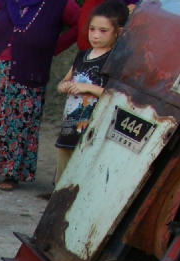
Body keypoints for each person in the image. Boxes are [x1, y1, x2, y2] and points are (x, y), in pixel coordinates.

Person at [0, 0, 80, 190]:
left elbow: (82, 25)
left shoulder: (61, 3)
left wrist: (52, 46)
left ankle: (11, 173)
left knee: (17, 123)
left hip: (28, 72)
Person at [54, 2, 126, 185]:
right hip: (71, 122)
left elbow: (119, 95)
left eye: (103, 31)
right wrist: (63, 86)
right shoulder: (82, 55)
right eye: (92, 29)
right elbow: (64, 80)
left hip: (94, 126)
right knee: (64, 160)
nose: (95, 35)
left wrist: (88, 88)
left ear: (119, 31)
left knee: (85, 168)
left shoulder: (116, 60)